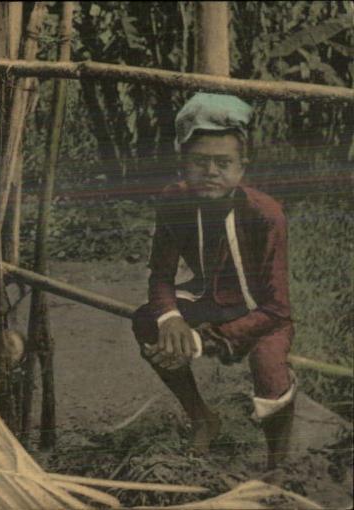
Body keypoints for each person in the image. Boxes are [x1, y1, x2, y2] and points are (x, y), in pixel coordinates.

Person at [132, 93, 296, 470]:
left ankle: (277, 467)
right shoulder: (175, 201)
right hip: (212, 298)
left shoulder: (265, 214)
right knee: (148, 321)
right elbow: (161, 274)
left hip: (260, 313)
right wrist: (171, 318)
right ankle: (201, 415)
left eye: (223, 163)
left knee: (269, 366)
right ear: (183, 163)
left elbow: (277, 306)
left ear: (242, 167)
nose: (211, 172)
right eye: (199, 162)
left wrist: (206, 339)